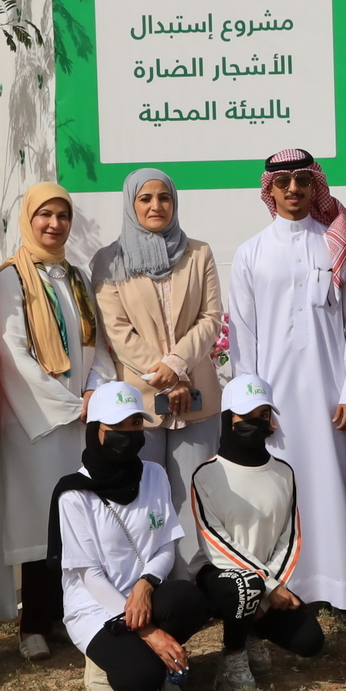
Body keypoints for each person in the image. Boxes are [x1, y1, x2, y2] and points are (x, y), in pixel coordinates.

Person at [227, 149, 346, 616]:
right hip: (275, 401)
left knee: (334, 487)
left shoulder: (334, 245)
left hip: (330, 394)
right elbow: (243, 335)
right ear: (269, 189)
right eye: (283, 182)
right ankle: (287, 586)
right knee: (281, 491)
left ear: (315, 187)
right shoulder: (250, 252)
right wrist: (251, 404)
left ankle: (343, 589)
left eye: (302, 181)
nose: (293, 189)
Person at [0, 181, 114, 661]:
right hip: (36, 424)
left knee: (73, 522)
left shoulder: (75, 277)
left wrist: (95, 391)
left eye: (62, 215)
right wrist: (66, 404)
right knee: (39, 521)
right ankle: (32, 625)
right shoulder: (12, 279)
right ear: (29, 218)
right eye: (45, 214)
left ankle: (65, 614)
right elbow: (13, 355)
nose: (54, 224)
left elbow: (96, 345)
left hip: (79, 417)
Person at [91, 166, 225, 575]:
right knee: (143, 498)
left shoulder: (198, 253)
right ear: (131, 204)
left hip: (196, 398)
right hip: (140, 403)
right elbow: (117, 330)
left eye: (164, 197)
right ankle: (147, 583)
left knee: (195, 495)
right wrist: (167, 375)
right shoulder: (110, 261)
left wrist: (178, 365)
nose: (156, 206)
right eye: (145, 198)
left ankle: (193, 584)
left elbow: (210, 318)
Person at [49, 383, 202, 691]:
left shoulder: (154, 474)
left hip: (143, 595)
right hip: (96, 607)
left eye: (135, 423)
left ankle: (144, 656)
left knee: (191, 599)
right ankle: (106, 658)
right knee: (141, 681)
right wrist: (150, 633)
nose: (128, 433)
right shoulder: (74, 493)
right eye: (117, 425)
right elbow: (89, 575)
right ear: (95, 430)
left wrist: (146, 585)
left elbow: (165, 545)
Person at [185, 376, 332, 691]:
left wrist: (271, 586)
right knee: (244, 586)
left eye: (263, 415)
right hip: (219, 577)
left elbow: (290, 538)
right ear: (228, 418)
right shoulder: (206, 474)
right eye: (247, 415)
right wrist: (267, 586)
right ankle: (233, 653)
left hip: (269, 582)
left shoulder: (284, 473)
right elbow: (215, 541)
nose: (256, 422)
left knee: (310, 642)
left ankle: (250, 629)